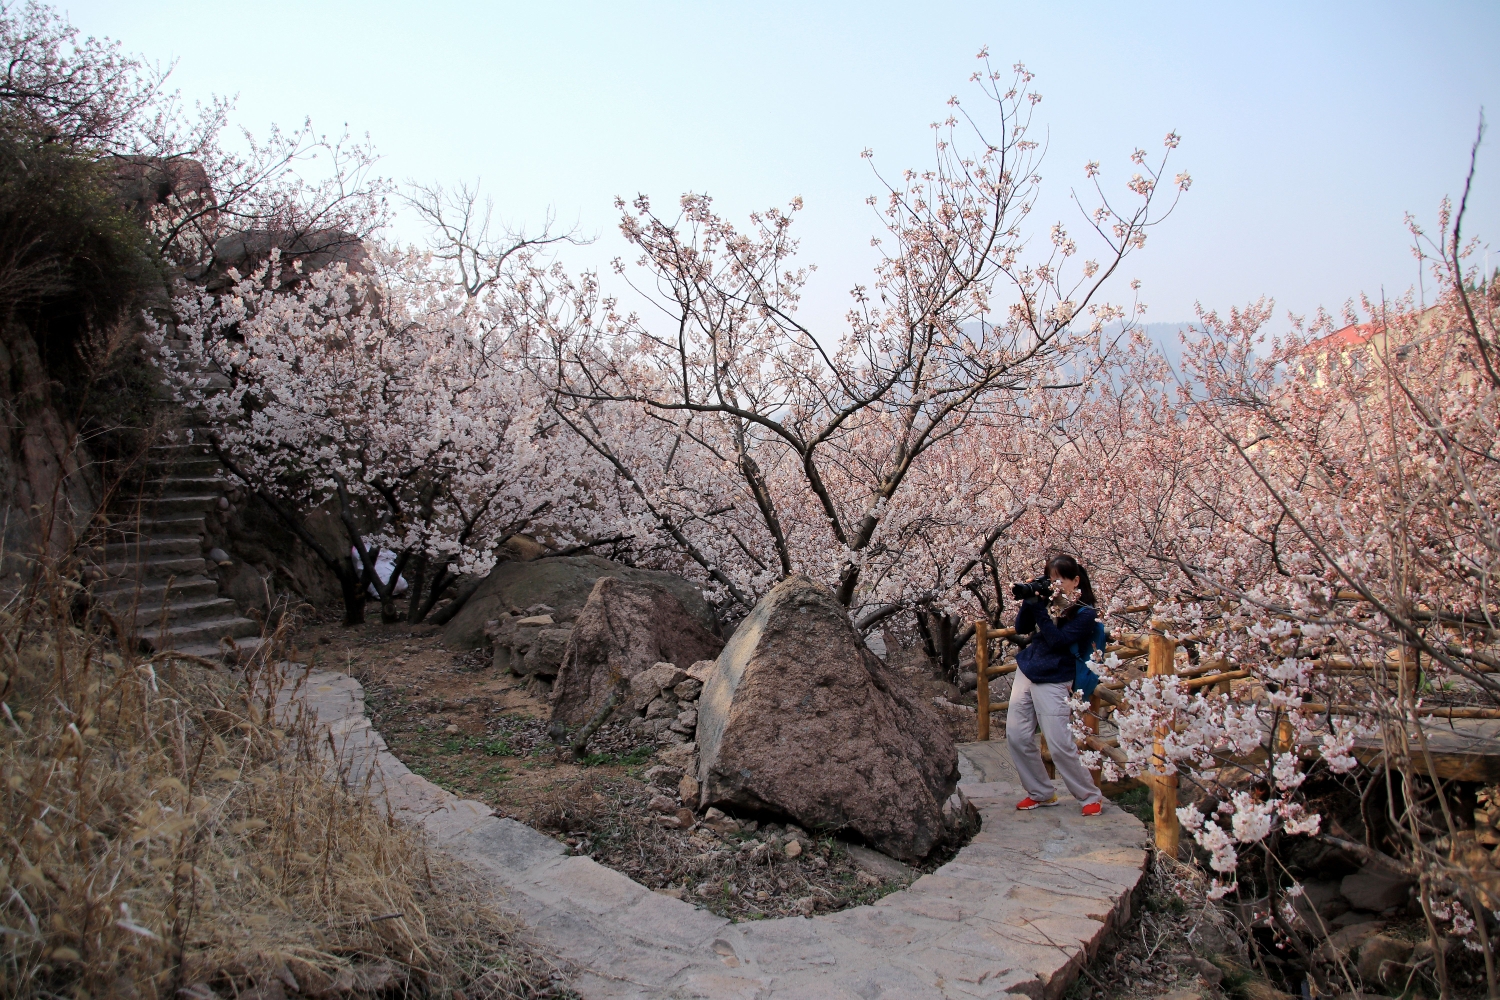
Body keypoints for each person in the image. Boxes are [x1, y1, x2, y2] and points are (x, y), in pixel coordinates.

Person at [1006, 553, 1106, 817]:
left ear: (1075, 581)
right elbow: (1021, 627)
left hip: (1056, 674)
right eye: (1051, 579)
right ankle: (1040, 792)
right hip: (1029, 668)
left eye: (1060, 579)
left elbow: (1058, 641)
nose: (1055, 584)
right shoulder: (1046, 602)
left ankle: (1089, 795)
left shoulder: (1085, 613)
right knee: (1016, 736)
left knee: (1059, 742)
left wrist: (1041, 608)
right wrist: (1030, 600)